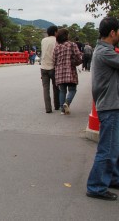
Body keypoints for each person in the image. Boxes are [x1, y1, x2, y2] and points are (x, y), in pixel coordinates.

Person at [86, 17, 119, 201]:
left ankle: (113, 178)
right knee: (108, 149)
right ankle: (96, 186)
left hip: (112, 104)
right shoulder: (105, 53)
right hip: (110, 106)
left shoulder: (106, 51)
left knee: (115, 148)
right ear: (113, 32)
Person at [53, 28, 82, 115]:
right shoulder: (72, 45)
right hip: (70, 71)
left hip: (59, 72)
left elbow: (54, 60)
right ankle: (67, 102)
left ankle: (62, 109)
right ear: (66, 36)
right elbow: (78, 57)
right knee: (72, 89)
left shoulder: (56, 47)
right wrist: (76, 63)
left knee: (62, 91)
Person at [40, 25, 59, 113]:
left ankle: (48, 108)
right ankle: (57, 105)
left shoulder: (43, 40)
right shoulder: (57, 41)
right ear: (55, 32)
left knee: (45, 88)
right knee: (56, 88)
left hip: (43, 67)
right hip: (53, 67)